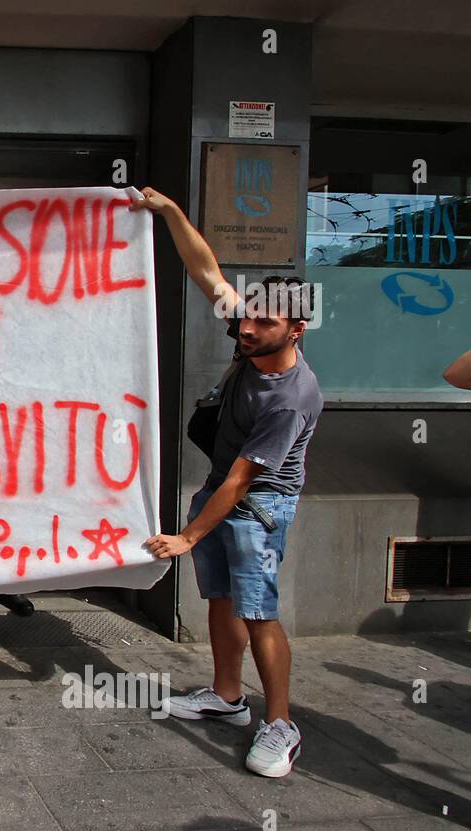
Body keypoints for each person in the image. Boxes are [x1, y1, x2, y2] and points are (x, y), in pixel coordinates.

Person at [135, 186, 323, 779]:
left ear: (296, 329)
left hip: (259, 506)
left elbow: (244, 481)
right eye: (246, 316)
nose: (245, 328)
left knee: (259, 611)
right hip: (222, 491)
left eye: (262, 322)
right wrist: (169, 213)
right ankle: (226, 696)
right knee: (220, 600)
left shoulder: (290, 400)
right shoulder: (252, 337)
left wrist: (187, 536)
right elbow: (207, 271)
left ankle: (281, 724)